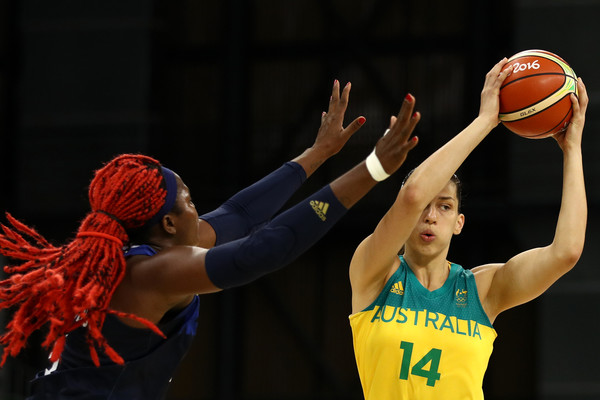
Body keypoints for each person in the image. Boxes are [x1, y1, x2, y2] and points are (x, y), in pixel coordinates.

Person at [0, 80, 420, 399]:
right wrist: (373, 171)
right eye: (190, 200)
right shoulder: (151, 273)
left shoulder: (137, 258)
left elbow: (238, 215)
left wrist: (318, 153)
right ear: (166, 224)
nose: (199, 212)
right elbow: (261, 250)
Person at [348, 59, 588, 399]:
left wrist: (572, 149)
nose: (431, 215)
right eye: (425, 208)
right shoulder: (374, 273)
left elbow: (566, 252)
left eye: (445, 206)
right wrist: (486, 121)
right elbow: (413, 194)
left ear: (459, 222)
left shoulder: (482, 289)